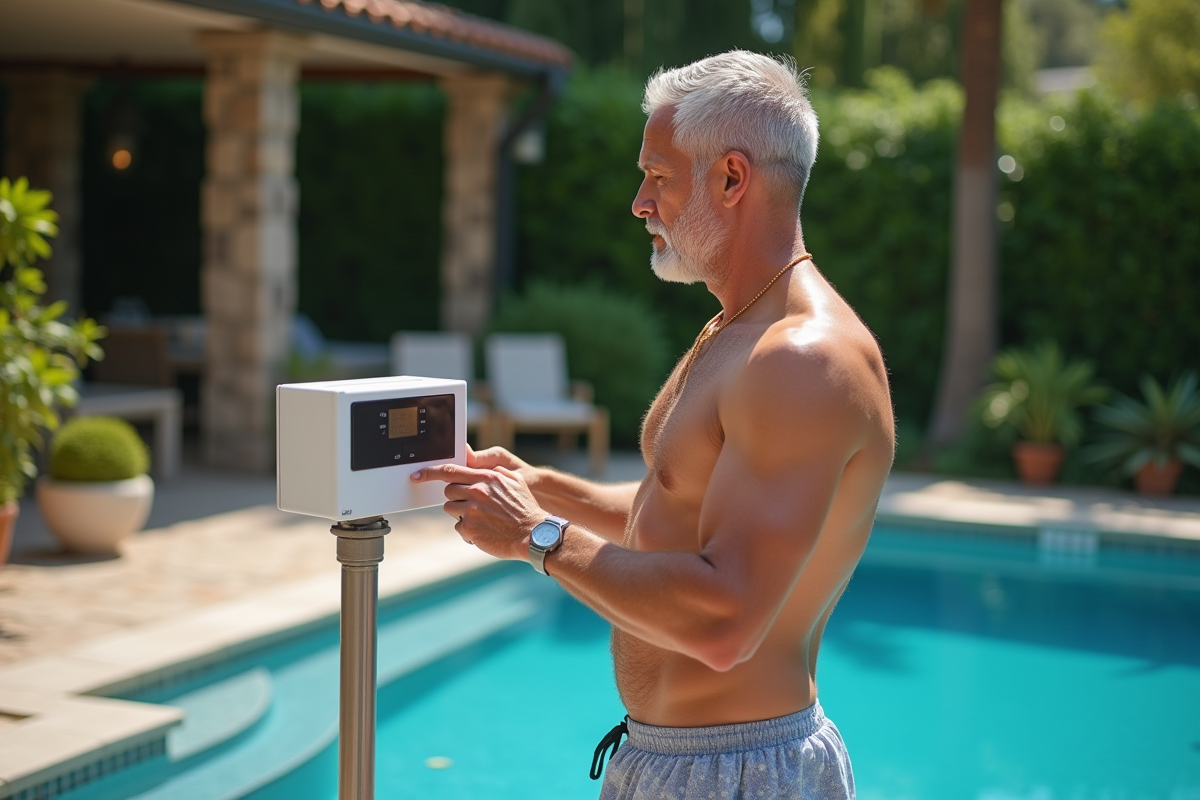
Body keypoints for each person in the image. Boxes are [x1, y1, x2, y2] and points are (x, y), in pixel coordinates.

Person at [411, 49, 894, 800]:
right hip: (674, 759)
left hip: (739, 771)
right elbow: (674, 519)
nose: (640, 202)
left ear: (733, 179)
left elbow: (726, 621)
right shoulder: (735, 330)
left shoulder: (802, 360)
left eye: (659, 177)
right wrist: (540, 486)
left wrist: (535, 537)